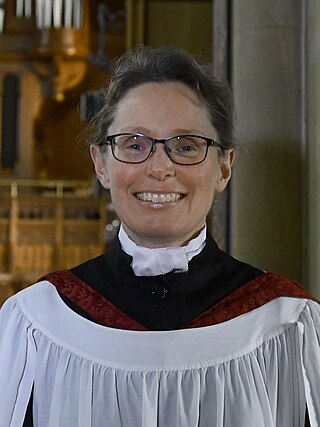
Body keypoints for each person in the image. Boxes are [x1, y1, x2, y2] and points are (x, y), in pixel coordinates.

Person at [0, 45, 319, 427]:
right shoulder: (39, 324)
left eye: (186, 146)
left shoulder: (286, 325)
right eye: (135, 145)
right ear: (101, 164)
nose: (160, 167)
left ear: (224, 168)